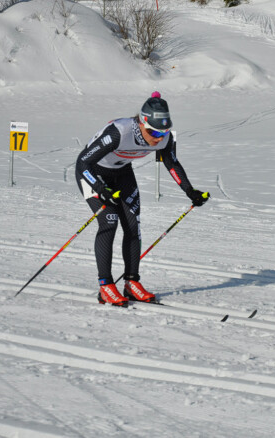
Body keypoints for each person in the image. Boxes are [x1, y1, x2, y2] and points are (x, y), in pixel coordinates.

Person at [75, 92, 209, 306]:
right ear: (142, 123)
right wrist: (100, 188)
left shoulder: (164, 137)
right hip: (94, 174)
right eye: (154, 132)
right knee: (109, 221)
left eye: (164, 131)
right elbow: (82, 163)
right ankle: (106, 286)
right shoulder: (119, 132)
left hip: (122, 173)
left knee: (132, 225)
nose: (159, 138)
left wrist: (189, 191)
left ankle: (131, 282)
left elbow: (171, 163)